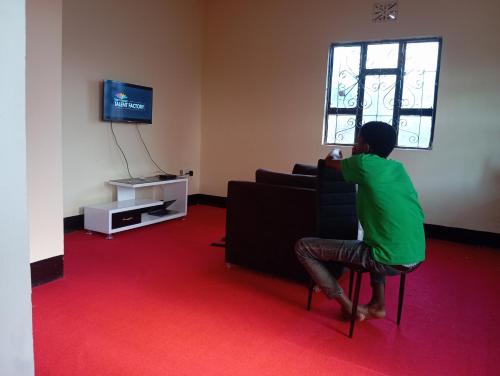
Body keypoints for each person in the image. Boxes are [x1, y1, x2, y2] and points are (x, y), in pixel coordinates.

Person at [295, 121, 425, 321]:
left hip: (387, 257)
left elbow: (330, 161)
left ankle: (348, 307)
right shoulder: (398, 168)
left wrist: (336, 149)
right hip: (414, 256)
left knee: (303, 247)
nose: (354, 146)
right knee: (375, 243)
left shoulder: (363, 162)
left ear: (365, 147)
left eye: (357, 141)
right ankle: (377, 306)